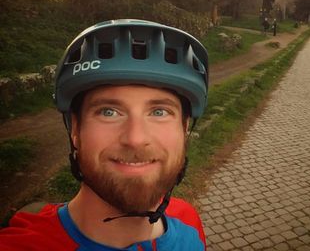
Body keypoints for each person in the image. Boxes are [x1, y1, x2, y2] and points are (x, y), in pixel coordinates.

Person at [0, 19, 209, 250]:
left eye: (159, 112)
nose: (135, 139)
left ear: (185, 128)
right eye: (108, 112)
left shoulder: (189, 221)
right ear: (75, 129)